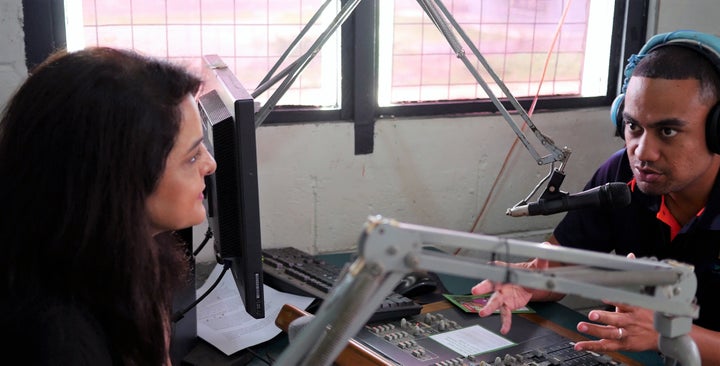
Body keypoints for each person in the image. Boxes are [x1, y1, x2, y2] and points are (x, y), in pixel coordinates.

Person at [472, 30, 720, 364]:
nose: (642, 153)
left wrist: (668, 333)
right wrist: (533, 283)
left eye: (668, 131)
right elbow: (560, 268)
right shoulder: (620, 175)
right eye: (633, 127)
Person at [0, 47, 217, 365]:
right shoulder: (59, 340)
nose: (210, 165)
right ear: (120, 182)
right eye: (192, 156)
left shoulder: (126, 260)